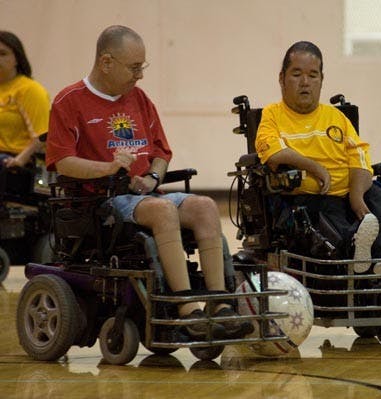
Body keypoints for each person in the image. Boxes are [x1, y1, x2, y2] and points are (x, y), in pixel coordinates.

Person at [45, 25, 252, 339]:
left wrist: (154, 175)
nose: (139, 75)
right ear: (106, 62)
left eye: (142, 67)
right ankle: (186, 308)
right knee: (162, 211)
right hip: (102, 200)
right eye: (134, 67)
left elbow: (161, 152)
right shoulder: (69, 101)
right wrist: (108, 168)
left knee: (206, 207)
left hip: (145, 193)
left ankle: (220, 305)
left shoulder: (139, 99)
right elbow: (63, 162)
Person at [255, 41, 381, 274]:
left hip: (349, 193)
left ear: (321, 80)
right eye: (297, 74)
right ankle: (359, 246)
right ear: (282, 78)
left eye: (313, 75)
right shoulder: (272, 115)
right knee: (324, 210)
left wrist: (356, 196)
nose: (305, 82)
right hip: (312, 197)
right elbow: (274, 154)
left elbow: (360, 157)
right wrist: (314, 167)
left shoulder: (335, 116)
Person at [0, 31, 50, 195]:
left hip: (18, 163)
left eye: (3, 53)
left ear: (17, 57)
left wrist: (19, 159)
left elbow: (43, 136)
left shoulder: (30, 90)